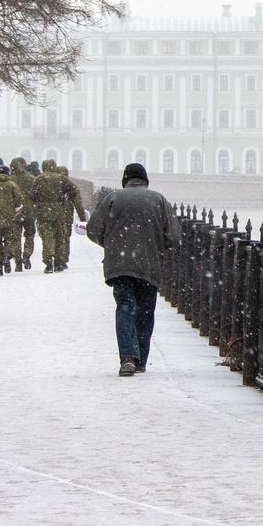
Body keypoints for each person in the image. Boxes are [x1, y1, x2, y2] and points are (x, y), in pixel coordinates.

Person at [85, 161, 178, 376]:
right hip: (149, 266)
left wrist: (111, 244)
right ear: (145, 180)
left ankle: (127, 356)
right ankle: (141, 360)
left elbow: (93, 230)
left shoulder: (113, 198)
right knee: (146, 312)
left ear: (125, 180)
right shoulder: (159, 200)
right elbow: (173, 236)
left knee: (125, 307)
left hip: (120, 266)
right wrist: (155, 246)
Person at [34, 158, 87, 273]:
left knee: (47, 237)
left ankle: (48, 263)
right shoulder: (62, 179)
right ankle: (59, 262)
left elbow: (32, 196)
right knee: (60, 237)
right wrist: (82, 216)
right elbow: (75, 191)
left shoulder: (39, 179)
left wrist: (39, 206)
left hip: (44, 213)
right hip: (59, 213)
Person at [0, 169, 25, 275]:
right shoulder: (12, 185)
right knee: (10, 240)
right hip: (9, 219)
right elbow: (18, 200)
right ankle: (7, 256)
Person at [16, 160, 42, 270]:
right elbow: (38, 195)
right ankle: (26, 254)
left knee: (15, 237)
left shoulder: (11, 179)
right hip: (30, 211)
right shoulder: (32, 179)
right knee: (29, 235)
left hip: (16, 212)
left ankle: (17, 260)